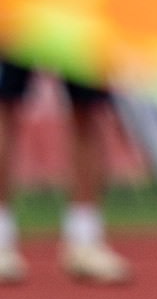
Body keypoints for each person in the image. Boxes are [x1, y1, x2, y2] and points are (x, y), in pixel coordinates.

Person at [0, 59, 131, 284]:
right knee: (3, 105)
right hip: (17, 24)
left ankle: (85, 238)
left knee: (89, 109)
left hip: (81, 25)